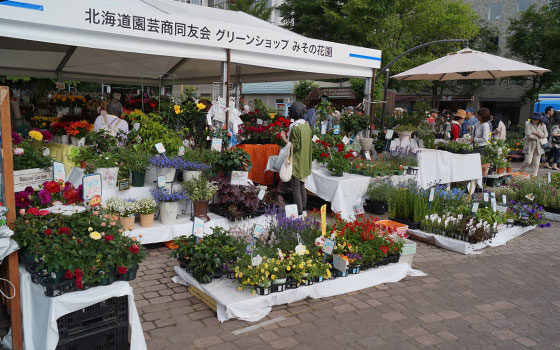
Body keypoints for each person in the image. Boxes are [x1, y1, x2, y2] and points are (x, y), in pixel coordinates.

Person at [280, 102, 312, 216]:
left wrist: (284, 139)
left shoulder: (295, 127)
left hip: (296, 161)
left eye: (290, 111)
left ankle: (298, 213)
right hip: (305, 161)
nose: (289, 113)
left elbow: (294, 146)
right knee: (302, 186)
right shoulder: (307, 126)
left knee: (295, 188)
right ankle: (303, 211)